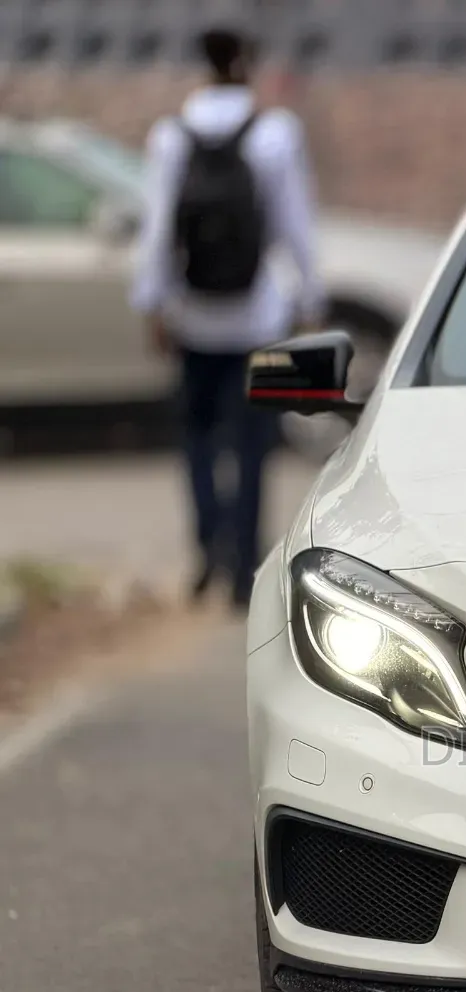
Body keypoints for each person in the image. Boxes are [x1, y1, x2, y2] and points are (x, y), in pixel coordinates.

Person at [130, 26, 324, 609]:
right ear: (248, 64)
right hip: (258, 319)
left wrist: (153, 304)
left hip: (193, 315)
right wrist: (310, 300)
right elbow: (296, 222)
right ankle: (244, 566)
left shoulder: (171, 137)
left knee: (197, 439)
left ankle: (207, 549)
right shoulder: (275, 133)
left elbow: (158, 229)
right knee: (252, 444)